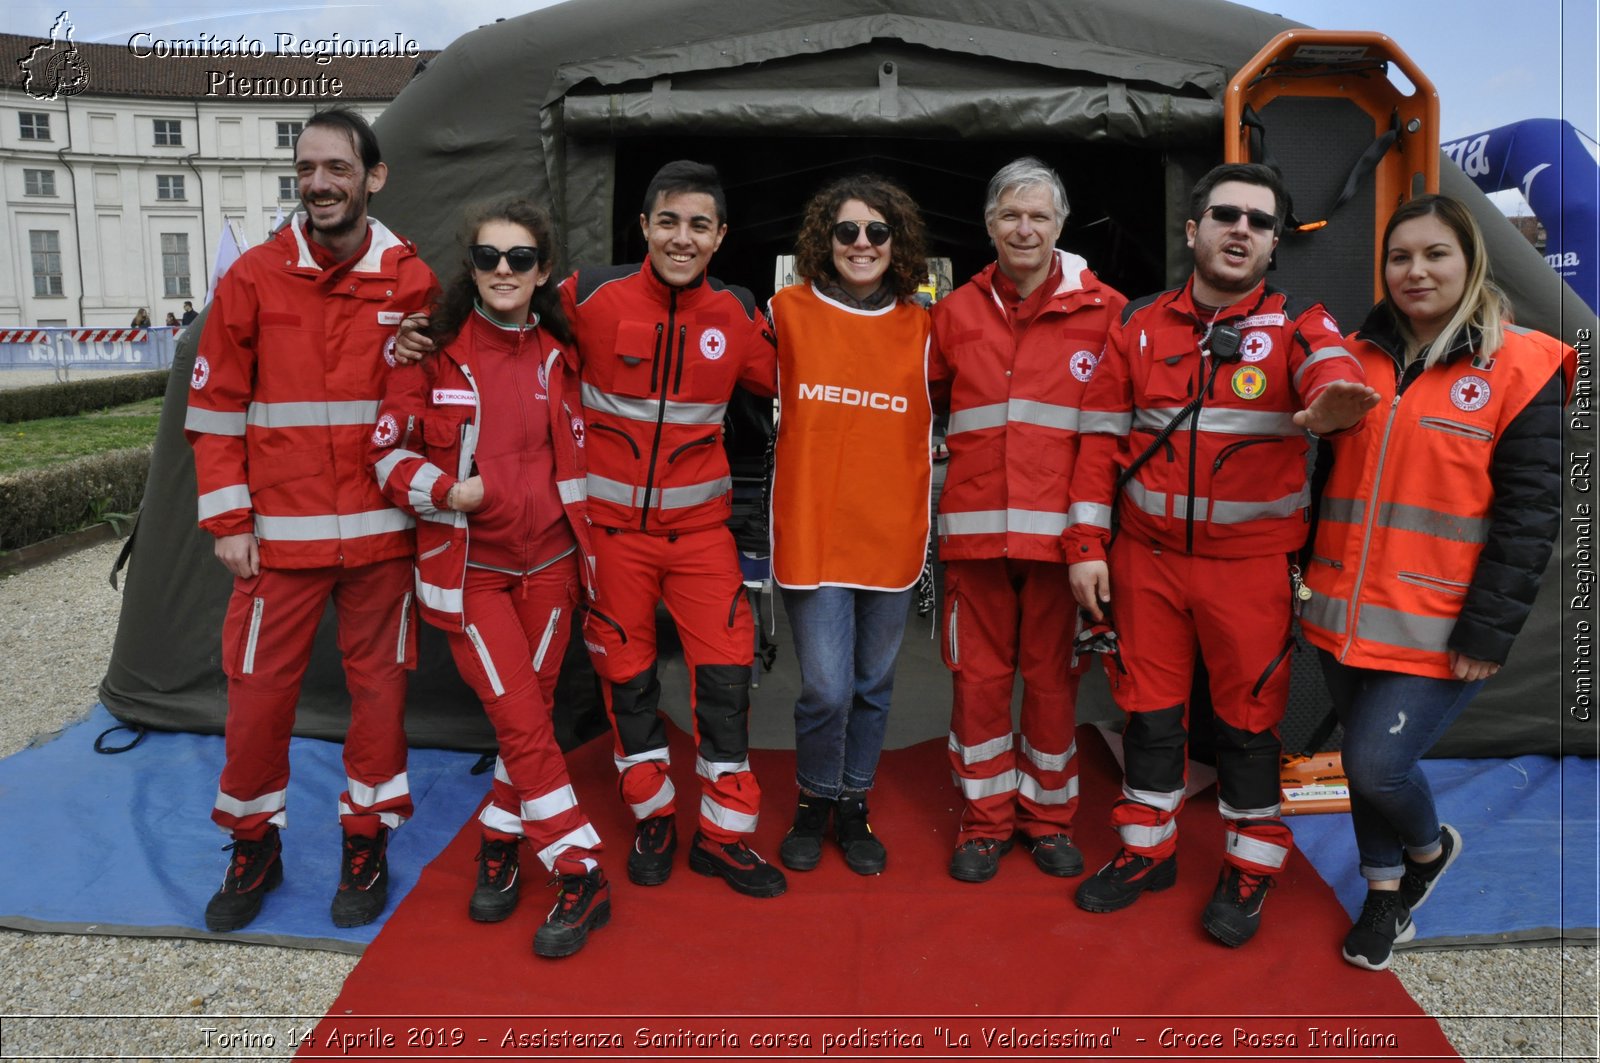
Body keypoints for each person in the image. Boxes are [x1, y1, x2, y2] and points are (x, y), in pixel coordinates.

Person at [396, 161, 783, 898]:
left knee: (727, 681)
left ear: (721, 235)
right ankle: (653, 817)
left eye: (699, 224)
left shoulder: (738, 313)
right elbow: (501, 318)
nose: (681, 237)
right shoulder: (586, 297)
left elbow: (804, 379)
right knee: (627, 683)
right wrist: (423, 333)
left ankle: (726, 837)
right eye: (667, 220)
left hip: (702, 537)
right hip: (609, 539)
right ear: (643, 227)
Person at [1065, 162, 1379, 946]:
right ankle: (1147, 850)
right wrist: (1084, 546)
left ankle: (1250, 867)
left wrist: (1337, 404)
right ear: (1193, 227)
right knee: (1149, 714)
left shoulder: (1303, 322)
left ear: (1274, 245)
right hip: (1144, 560)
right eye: (1226, 213)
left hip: (1252, 570)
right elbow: (1098, 444)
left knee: (1247, 728)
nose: (1242, 229)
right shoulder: (1136, 325)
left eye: (1261, 221)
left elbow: (1332, 372)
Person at [1299, 194, 1575, 971]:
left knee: (1375, 765)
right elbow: (1326, 482)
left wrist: (1488, 631)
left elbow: (1530, 516)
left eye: (1434, 254)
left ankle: (1426, 851)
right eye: (1400, 257)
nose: (1415, 271)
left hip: (1440, 623)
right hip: (1345, 611)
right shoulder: (1352, 356)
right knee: (1362, 759)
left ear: (1471, 261)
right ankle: (1385, 893)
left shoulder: (1524, 364)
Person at [185, 107, 437, 933]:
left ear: (374, 176)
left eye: (335, 168)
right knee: (257, 701)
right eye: (305, 169)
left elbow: (437, 401)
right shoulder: (253, 276)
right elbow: (215, 405)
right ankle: (255, 841)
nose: (318, 184)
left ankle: (365, 837)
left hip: (382, 540)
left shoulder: (413, 279)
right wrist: (228, 518)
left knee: (379, 696)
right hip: (276, 546)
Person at [371, 195, 610, 958]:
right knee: (520, 713)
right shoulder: (429, 349)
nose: (503, 271)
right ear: (469, 267)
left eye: (519, 258)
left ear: (543, 272)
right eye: (487, 257)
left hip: (552, 568)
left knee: (526, 716)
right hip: (470, 571)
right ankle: (579, 866)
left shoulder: (565, 349)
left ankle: (501, 836)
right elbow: (385, 457)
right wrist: (447, 491)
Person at [928, 158, 1126, 884]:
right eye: (1011, 214)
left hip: (1059, 547)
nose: (1025, 228)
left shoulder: (1108, 312)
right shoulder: (951, 314)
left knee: (1051, 687)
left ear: (1061, 225)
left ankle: (1047, 820)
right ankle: (984, 824)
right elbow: (924, 404)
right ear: (989, 224)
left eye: (1039, 215)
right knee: (977, 685)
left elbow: (1106, 441)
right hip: (976, 541)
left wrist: (1089, 540)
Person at [767, 174, 932, 876]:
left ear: (896, 244)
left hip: (891, 532)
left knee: (872, 685)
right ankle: (813, 799)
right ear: (823, 240)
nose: (861, 244)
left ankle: (853, 802)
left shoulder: (927, 326)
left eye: (876, 232)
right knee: (825, 687)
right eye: (846, 231)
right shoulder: (783, 313)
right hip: (812, 531)